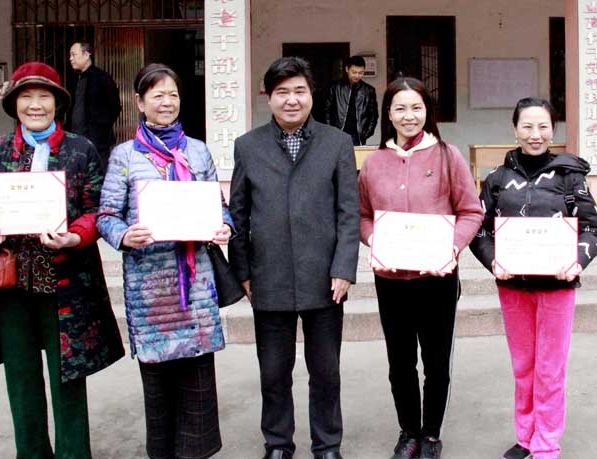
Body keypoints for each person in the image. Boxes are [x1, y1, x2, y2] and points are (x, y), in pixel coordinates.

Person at [0, 61, 125, 458]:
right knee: (21, 377)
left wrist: (75, 235)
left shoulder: (80, 149)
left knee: (67, 376)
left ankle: (74, 453)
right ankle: (32, 452)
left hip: (65, 283)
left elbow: (95, 208)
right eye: (26, 96)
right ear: (14, 103)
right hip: (11, 283)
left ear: (58, 103)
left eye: (44, 96)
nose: (35, 105)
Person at [97, 63, 233, 459]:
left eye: (172, 94)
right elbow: (106, 215)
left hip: (196, 288)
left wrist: (224, 226)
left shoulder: (197, 151)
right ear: (140, 103)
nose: (167, 102)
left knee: (198, 383)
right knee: (158, 388)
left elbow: (219, 206)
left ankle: (196, 452)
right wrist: (124, 235)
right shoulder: (124, 156)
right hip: (150, 290)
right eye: (157, 95)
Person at [229, 56, 360, 459]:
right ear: (268, 97)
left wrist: (344, 268)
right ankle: (278, 443)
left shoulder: (337, 143)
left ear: (311, 94)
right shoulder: (248, 146)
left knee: (326, 372)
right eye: (282, 92)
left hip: (325, 279)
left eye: (299, 91)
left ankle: (327, 445)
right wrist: (243, 271)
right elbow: (238, 215)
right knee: (273, 372)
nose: (291, 100)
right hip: (268, 278)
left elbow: (348, 213)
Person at [470, 97, 597, 459]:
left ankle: (546, 443)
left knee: (550, 368)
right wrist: (493, 261)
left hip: (557, 288)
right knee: (523, 366)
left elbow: (593, 228)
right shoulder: (497, 179)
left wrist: (576, 261)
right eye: (527, 126)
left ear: (553, 130)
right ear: (514, 129)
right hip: (513, 287)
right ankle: (526, 435)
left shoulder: (569, 176)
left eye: (543, 126)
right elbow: (479, 230)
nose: (535, 134)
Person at [357, 77, 483, 459]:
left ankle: (431, 435)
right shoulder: (374, 163)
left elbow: (471, 211)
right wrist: (375, 239)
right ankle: (408, 431)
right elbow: (362, 216)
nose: (408, 116)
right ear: (388, 113)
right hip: (391, 280)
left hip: (437, 279)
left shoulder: (448, 156)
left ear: (427, 111)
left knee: (436, 361)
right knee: (400, 362)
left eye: (416, 107)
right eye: (400, 108)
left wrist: (451, 246)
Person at [67, 41, 122, 168]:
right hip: (75, 137)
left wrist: (102, 127)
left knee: (98, 172)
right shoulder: (73, 79)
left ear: (86, 55)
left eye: (73, 54)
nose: (70, 59)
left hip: (98, 141)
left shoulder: (102, 78)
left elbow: (115, 107)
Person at [324, 55, 379, 146]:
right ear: (347, 69)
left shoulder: (369, 90)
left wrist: (366, 133)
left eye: (360, 73)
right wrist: (330, 131)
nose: (357, 75)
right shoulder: (335, 87)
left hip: (358, 135)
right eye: (354, 72)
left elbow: (373, 115)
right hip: (338, 132)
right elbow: (327, 112)